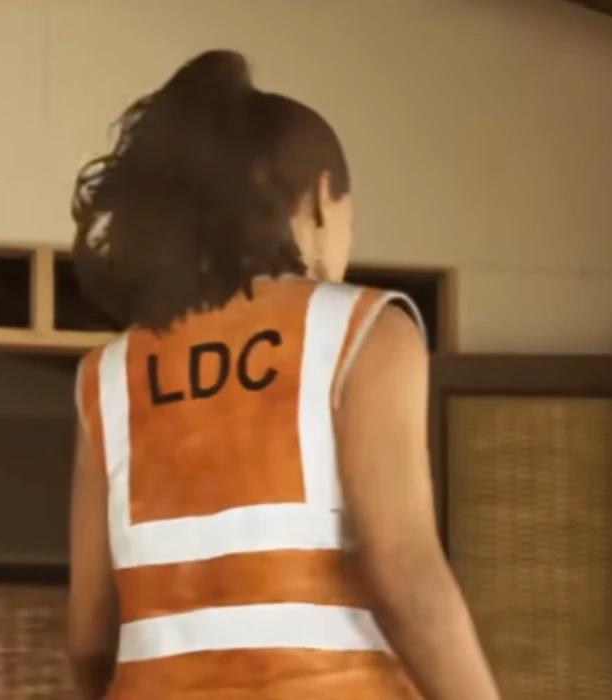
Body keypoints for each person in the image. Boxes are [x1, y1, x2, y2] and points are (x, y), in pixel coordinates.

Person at [64, 49, 500, 700]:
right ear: (321, 201)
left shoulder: (110, 375)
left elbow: (90, 639)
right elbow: (406, 579)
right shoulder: (361, 332)